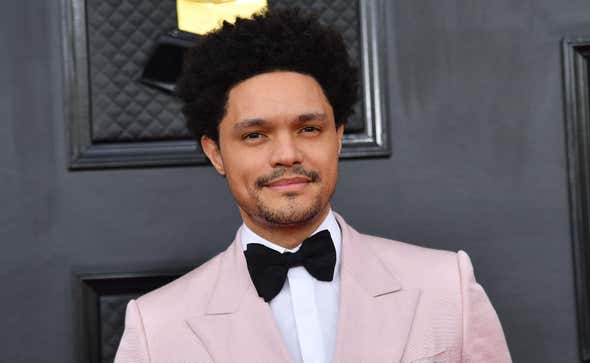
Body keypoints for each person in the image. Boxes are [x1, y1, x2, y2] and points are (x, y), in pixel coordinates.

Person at [114, 7, 511, 363]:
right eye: (255, 135)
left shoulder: (447, 285)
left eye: (308, 128)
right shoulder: (156, 327)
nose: (287, 154)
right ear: (216, 153)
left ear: (337, 137)